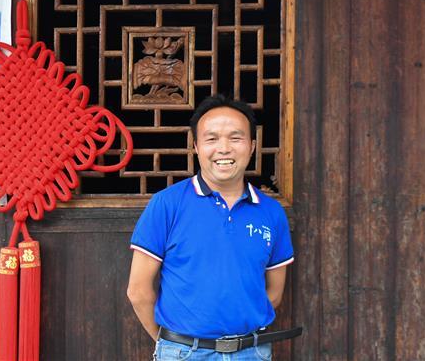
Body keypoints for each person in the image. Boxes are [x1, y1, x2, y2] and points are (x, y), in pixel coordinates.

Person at [127, 95, 299, 360]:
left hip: (250, 353)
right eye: (212, 139)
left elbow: (273, 294)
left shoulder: (271, 212)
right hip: (184, 352)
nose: (224, 148)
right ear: (196, 146)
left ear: (252, 146)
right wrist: (170, 346)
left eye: (235, 138)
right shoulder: (167, 204)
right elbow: (138, 291)